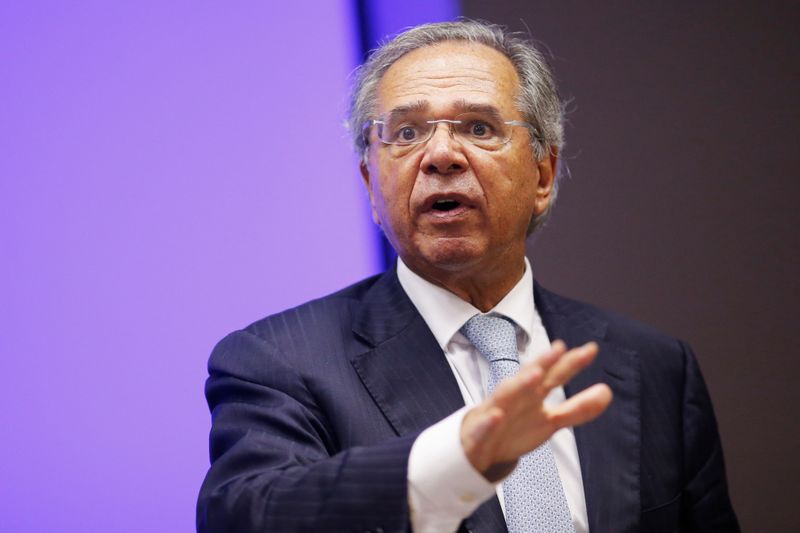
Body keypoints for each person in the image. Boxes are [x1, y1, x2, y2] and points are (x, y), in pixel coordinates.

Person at [196, 20, 739, 533]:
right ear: (370, 184)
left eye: (478, 127)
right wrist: (456, 461)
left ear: (543, 174)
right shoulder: (278, 361)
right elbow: (246, 514)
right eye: (406, 132)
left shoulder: (654, 366)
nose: (439, 155)